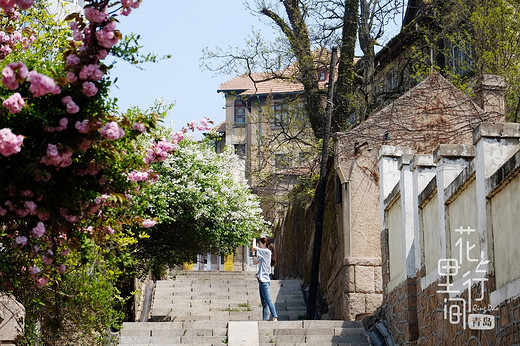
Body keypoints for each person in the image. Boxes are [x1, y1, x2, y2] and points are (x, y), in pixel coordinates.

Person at [251, 237, 278, 321]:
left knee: (268, 299)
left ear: (264, 244)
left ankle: (274, 316)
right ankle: (265, 318)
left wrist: (254, 240)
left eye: (260, 244)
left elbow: (254, 247)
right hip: (261, 279)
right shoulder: (263, 254)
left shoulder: (266, 252)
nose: (259, 246)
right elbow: (255, 262)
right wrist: (252, 254)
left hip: (265, 280)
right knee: (264, 302)